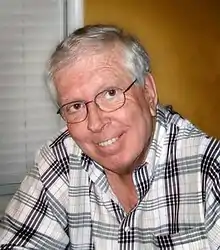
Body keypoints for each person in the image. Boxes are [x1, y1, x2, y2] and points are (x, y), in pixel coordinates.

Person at [0, 24, 219, 250]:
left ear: (148, 93)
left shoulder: (210, 172)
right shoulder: (59, 158)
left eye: (110, 94)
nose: (95, 123)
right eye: (75, 106)